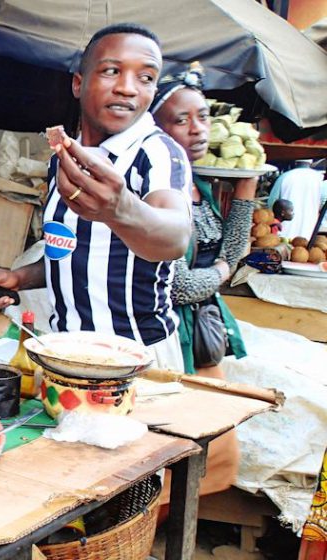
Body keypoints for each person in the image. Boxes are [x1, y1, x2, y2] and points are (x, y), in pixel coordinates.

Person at [0, 23, 193, 370]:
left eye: (146, 78)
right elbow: (80, 255)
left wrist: (121, 210)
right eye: (111, 71)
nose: (127, 89)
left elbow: (175, 237)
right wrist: (19, 277)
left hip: (136, 361)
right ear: (78, 83)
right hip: (63, 351)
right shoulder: (64, 160)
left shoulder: (156, 152)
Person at [152, 63, 245, 498]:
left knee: (220, 456)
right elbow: (178, 286)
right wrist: (221, 274)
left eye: (203, 116)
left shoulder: (201, 187)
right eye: (181, 119)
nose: (197, 129)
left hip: (203, 334)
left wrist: (246, 191)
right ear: (155, 127)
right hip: (170, 336)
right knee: (168, 456)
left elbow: (232, 253)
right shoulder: (157, 190)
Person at [268, 159, 323, 239]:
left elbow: (272, 202)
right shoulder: (319, 178)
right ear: (311, 163)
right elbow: (323, 202)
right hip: (309, 226)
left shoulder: (285, 176)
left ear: (294, 162)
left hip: (284, 229)